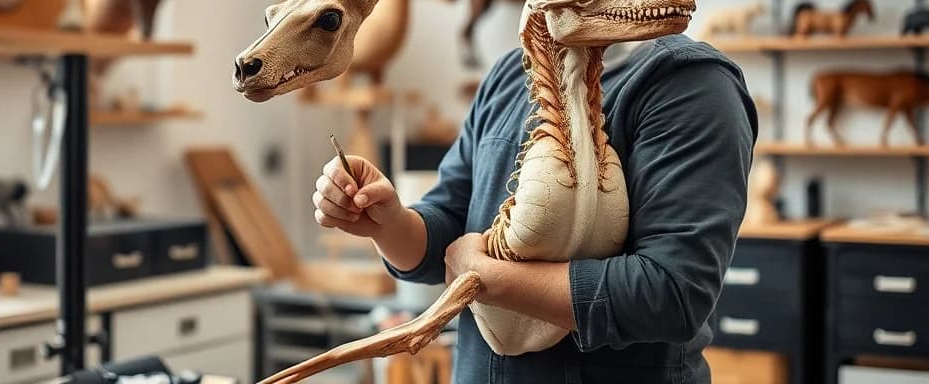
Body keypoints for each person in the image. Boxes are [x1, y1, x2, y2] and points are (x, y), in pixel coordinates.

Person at [311, 36, 756, 384]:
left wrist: (481, 278)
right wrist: (387, 222)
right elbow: (446, 238)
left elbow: (670, 295)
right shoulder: (512, 72)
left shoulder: (692, 85)